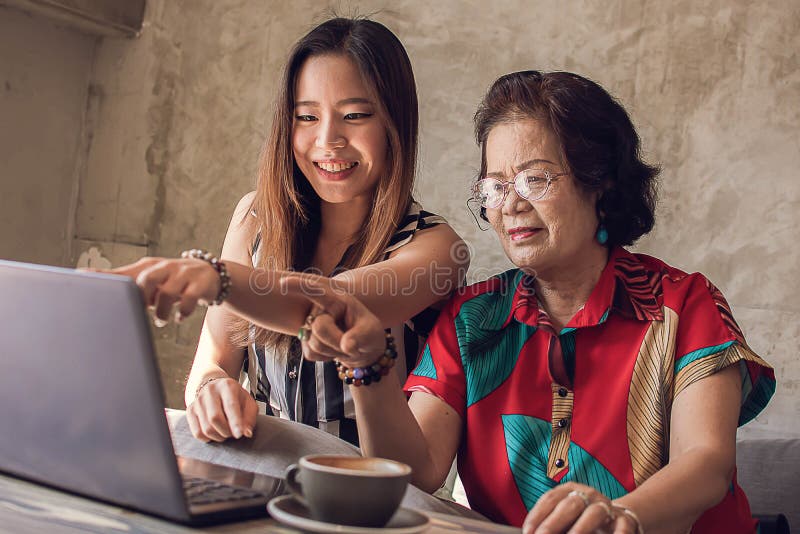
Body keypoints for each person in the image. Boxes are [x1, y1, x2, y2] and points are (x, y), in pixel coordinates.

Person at [279, 70, 776, 533]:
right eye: (495, 187)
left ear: (599, 181)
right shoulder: (473, 319)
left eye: (535, 179)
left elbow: (706, 463)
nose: (512, 204)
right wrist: (369, 367)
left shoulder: (684, 304)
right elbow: (415, 473)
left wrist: (618, 515)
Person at [109, 17, 468, 448]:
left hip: (366, 500)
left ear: (396, 123)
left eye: (354, 115)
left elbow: (332, 303)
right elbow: (215, 359)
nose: (328, 140)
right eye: (307, 117)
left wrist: (215, 277)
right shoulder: (256, 217)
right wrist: (211, 391)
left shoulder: (436, 249)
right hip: (261, 481)